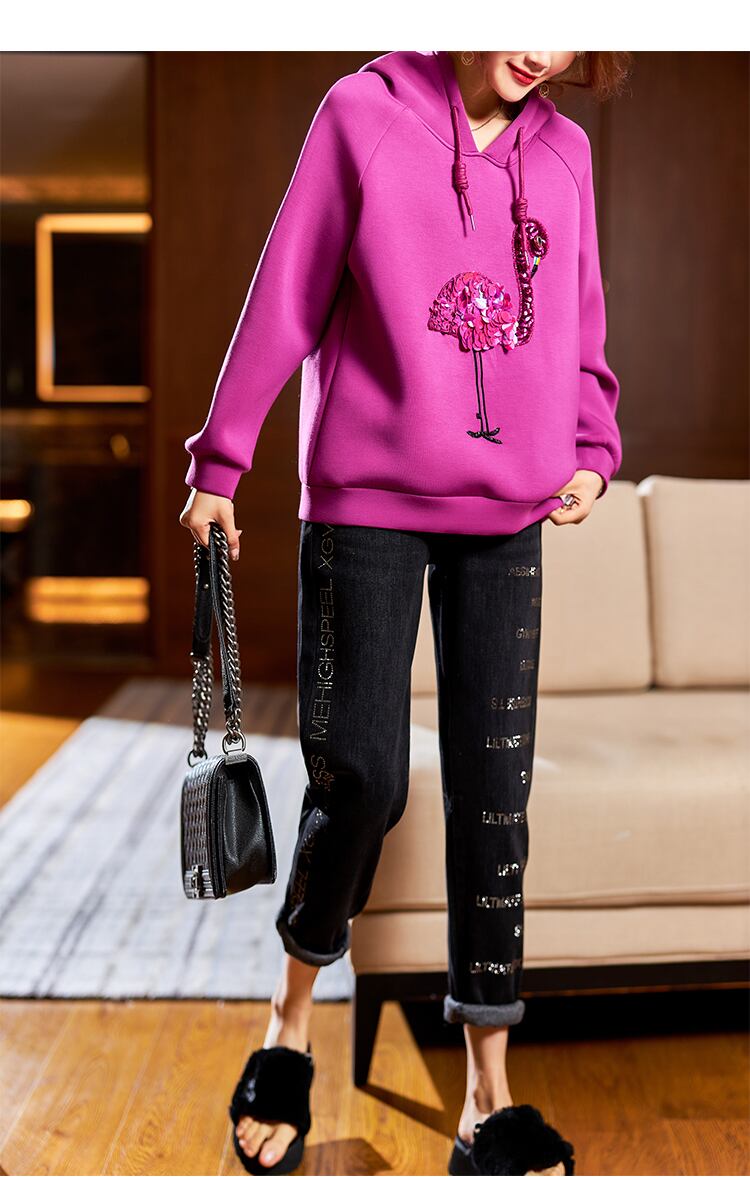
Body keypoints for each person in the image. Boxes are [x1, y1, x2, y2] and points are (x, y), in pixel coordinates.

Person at [180, 49, 629, 1176]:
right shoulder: (364, 112)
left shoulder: (566, 153)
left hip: (512, 514)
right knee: (362, 778)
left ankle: (487, 1094)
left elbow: (579, 314)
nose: (539, 46)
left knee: (494, 796)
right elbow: (286, 288)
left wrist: (593, 441)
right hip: (363, 503)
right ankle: (288, 1021)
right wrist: (221, 459)